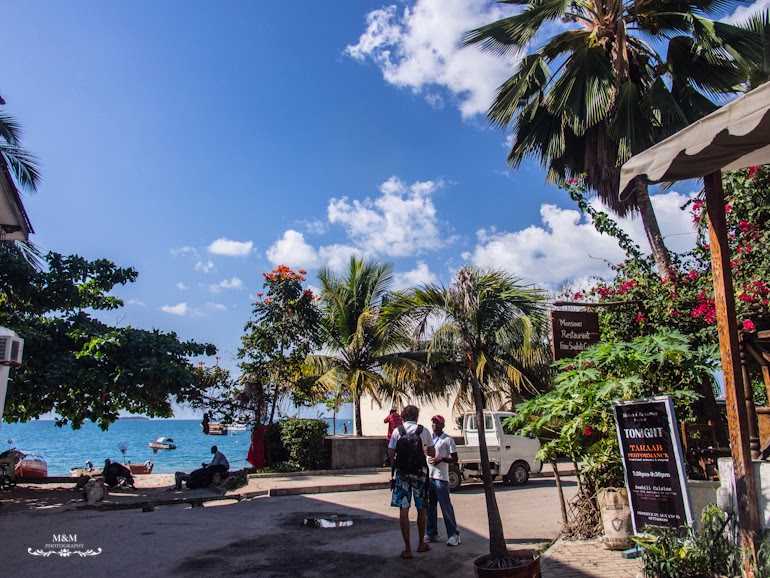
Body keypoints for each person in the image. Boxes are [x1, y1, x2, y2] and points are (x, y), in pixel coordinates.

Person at [387, 404, 435, 559]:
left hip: (403, 475)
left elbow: (390, 452)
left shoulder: (397, 431)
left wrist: (397, 466)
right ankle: (421, 543)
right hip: (420, 474)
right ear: (416, 417)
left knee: (404, 508)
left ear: (403, 416)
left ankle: (407, 549)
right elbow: (432, 452)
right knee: (421, 508)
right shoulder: (423, 431)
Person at [425, 414, 461, 546]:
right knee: (430, 507)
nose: (434, 425)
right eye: (433, 422)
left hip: (441, 478)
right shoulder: (429, 439)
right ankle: (431, 532)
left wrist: (442, 459)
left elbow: (454, 458)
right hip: (430, 477)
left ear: (442, 425)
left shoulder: (447, 440)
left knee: (445, 507)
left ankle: (453, 534)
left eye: (437, 423)